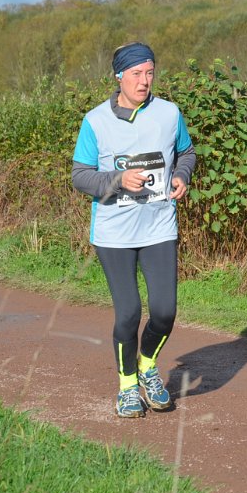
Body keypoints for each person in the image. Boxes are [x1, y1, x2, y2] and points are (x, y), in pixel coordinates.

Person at [72, 42, 196, 418]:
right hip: (114, 233)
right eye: (136, 74)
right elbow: (80, 176)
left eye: (150, 73)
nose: (144, 81)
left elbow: (187, 152)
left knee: (164, 311)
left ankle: (147, 366)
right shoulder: (95, 121)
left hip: (158, 226)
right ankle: (127, 387)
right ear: (119, 77)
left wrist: (181, 175)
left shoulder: (169, 113)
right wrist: (117, 180)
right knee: (128, 313)